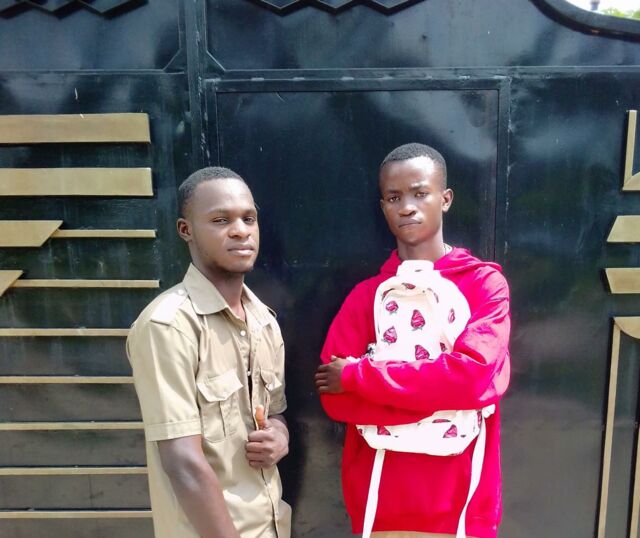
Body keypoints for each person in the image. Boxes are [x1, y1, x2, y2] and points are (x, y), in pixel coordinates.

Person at [315, 143, 510, 538]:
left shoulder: (484, 285)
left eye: (420, 193)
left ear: (445, 198)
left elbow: (473, 378)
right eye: (394, 198)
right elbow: (334, 399)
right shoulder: (367, 296)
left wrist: (360, 377)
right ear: (383, 206)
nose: (406, 207)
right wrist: (444, 401)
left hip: (461, 507)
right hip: (380, 508)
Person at [127, 167, 291, 538]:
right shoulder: (168, 326)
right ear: (185, 230)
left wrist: (280, 437)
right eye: (220, 220)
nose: (240, 231)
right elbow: (182, 462)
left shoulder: (264, 322)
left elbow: (275, 412)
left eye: (248, 218)